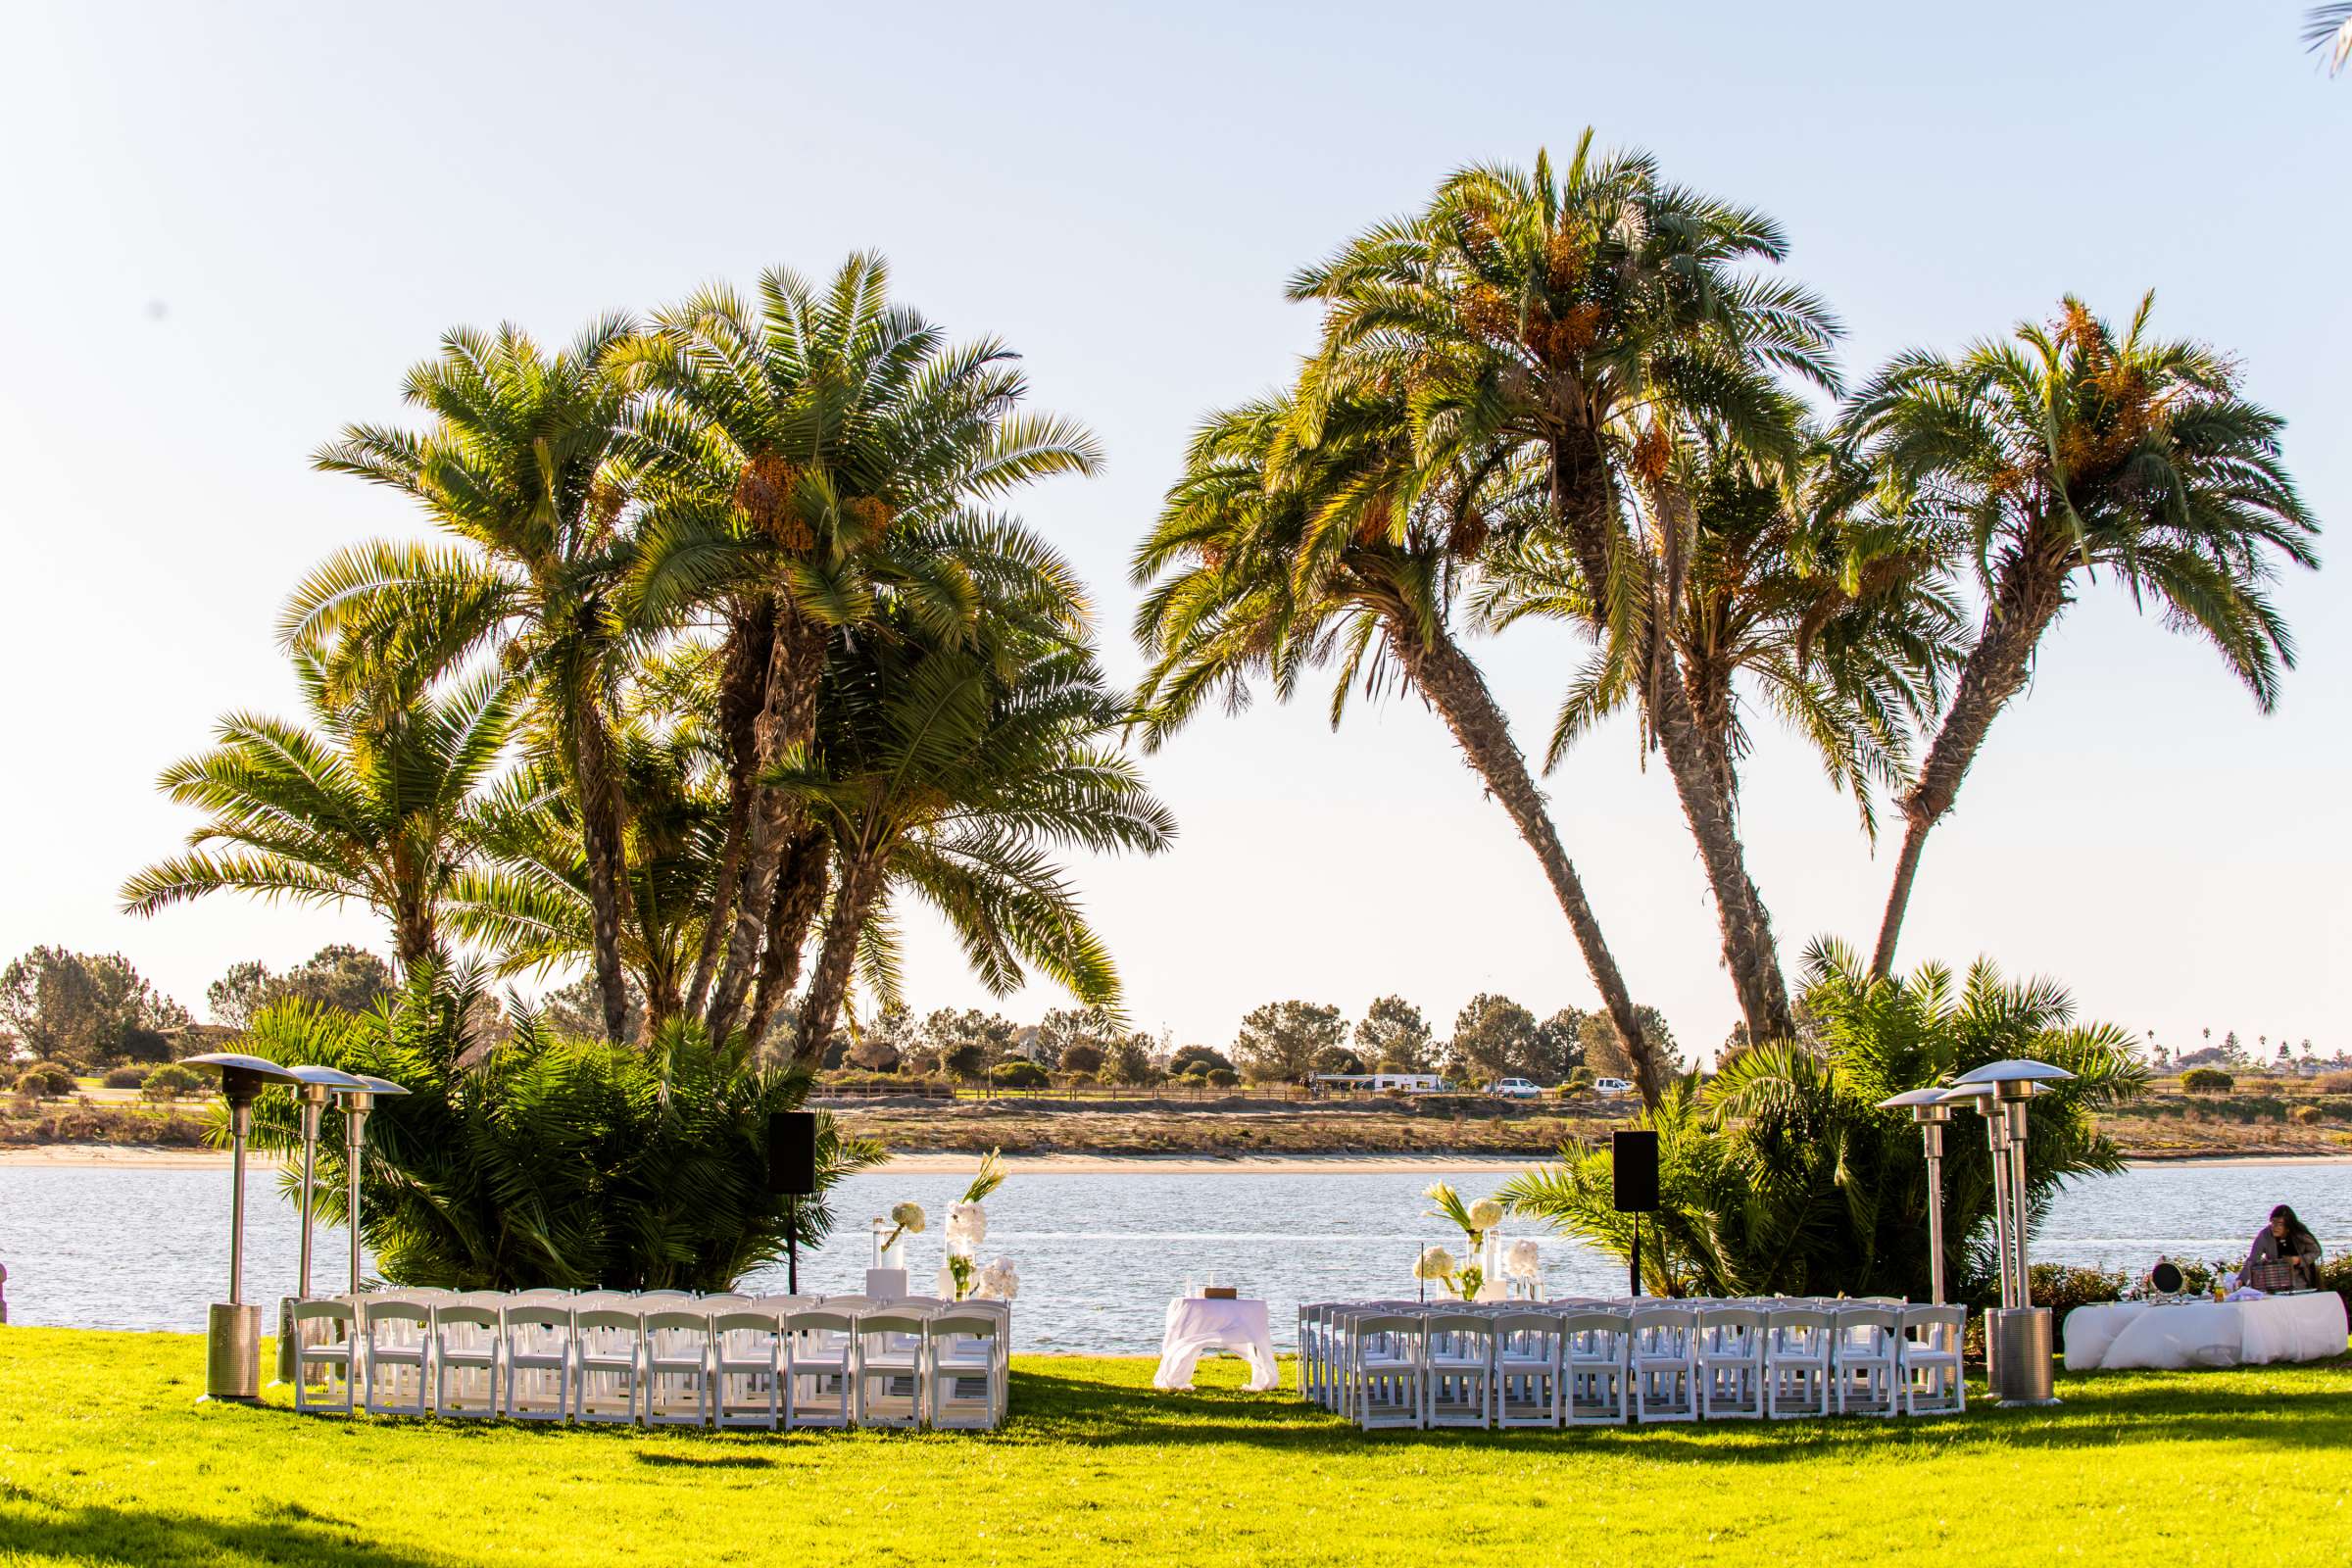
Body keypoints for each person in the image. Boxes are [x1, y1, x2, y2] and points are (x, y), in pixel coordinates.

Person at [2242, 1203, 2324, 1291]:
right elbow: (2253, 1260)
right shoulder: (2264, 1235)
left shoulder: (2300, 1233)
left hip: (2299, 1278)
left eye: (2280, 1224)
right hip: (2274, 1279)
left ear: (2288, 1225)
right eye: (2273, 1222)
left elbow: (2316, 1251)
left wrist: (2299, 1259)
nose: (2274, 1227)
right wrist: (2242, 1280)